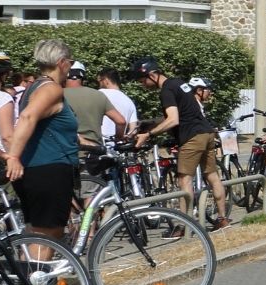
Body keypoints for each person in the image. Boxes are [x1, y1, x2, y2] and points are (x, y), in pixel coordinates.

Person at [132, 57, 230, 229]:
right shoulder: (178, 83)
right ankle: (222, 219)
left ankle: (184, 226)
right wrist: (151, 122)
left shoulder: (166, 91)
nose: (143, 85)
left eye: (143, 80)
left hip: (192, 137)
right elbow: (182, 112)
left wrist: (148, 134)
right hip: (206, 133)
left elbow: (173, 120)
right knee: (212, 176)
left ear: (153, 75)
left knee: (184, 181)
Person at [2, 38, 83, 244]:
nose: (70, 68)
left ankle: (31, 273)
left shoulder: (34, 87)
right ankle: (37, 275)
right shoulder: (51, 89)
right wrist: (13, 156)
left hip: (36, 168)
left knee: (35, 231)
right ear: (62, 62)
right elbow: (28, 117)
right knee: (47, 235)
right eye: (70, 63)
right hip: (49, 169)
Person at [61, 61, 127, 151]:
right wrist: (118, 138)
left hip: (66, 154)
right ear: (83, 76)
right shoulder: (98, 95)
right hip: (95, 153)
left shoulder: (57, 96)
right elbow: (121, 121)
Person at [97, 68, 138, 142]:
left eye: (99, 81)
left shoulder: (99, 94)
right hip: (117, 149)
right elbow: (133, 130)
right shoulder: (129, 101)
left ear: (106, 81)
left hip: (99, 146)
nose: (99, 84)